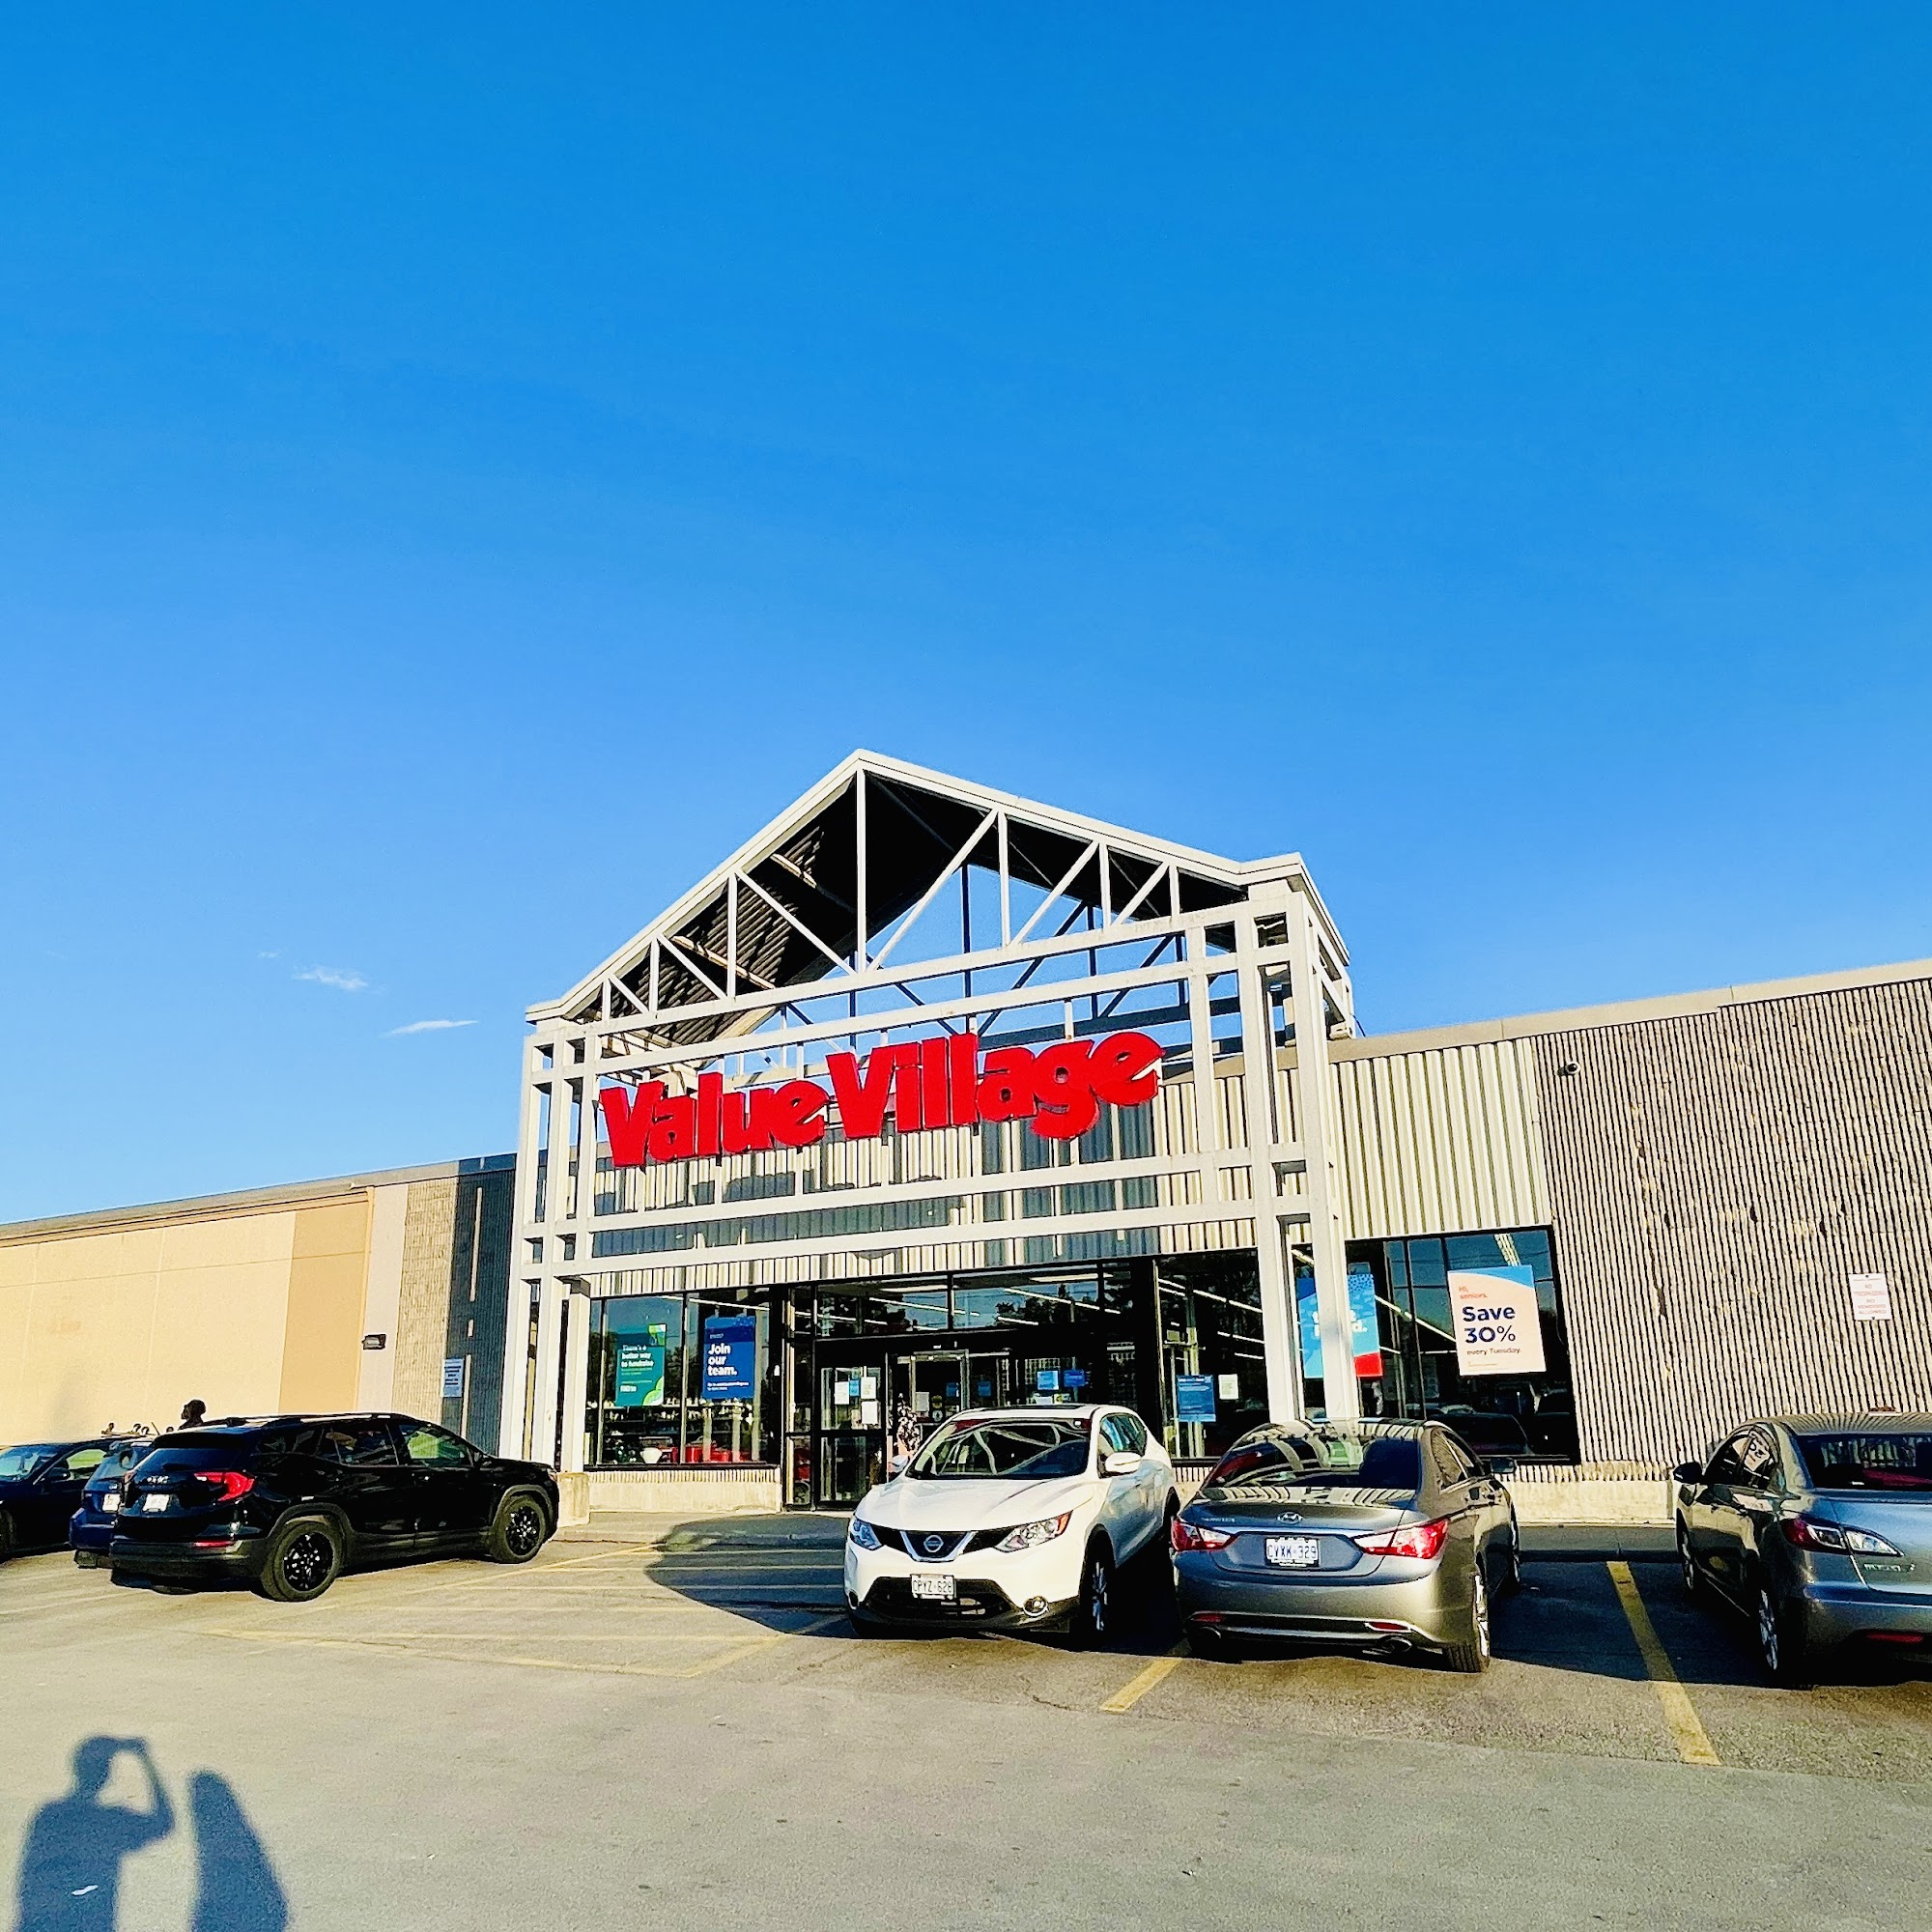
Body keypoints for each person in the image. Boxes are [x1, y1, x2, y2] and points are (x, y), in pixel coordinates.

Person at [13, 1737, 174, 1932]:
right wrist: (145, 1760)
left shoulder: (51, 1816)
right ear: (106, 1776)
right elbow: (163, 1823)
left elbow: (28, 1878)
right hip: (92, 1924)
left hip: (43, 1923)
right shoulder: (109, 1821)